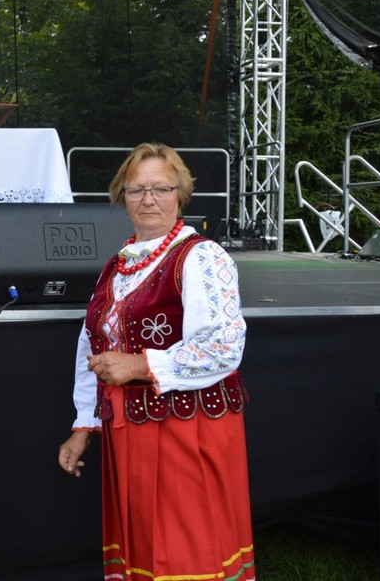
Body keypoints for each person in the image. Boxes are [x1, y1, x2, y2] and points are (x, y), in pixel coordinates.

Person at [57, 142, 254, 580]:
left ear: (180, 194)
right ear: (121, 197)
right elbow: (91, 345)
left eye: (160, 188)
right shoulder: (119, 264)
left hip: (188, 431)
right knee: (145, 545)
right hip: (132, 431)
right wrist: (83, 426)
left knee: (187, 547)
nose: (148, 199)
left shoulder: (201, 256)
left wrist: (139, 366)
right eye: (136, 189)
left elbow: (223, 344)